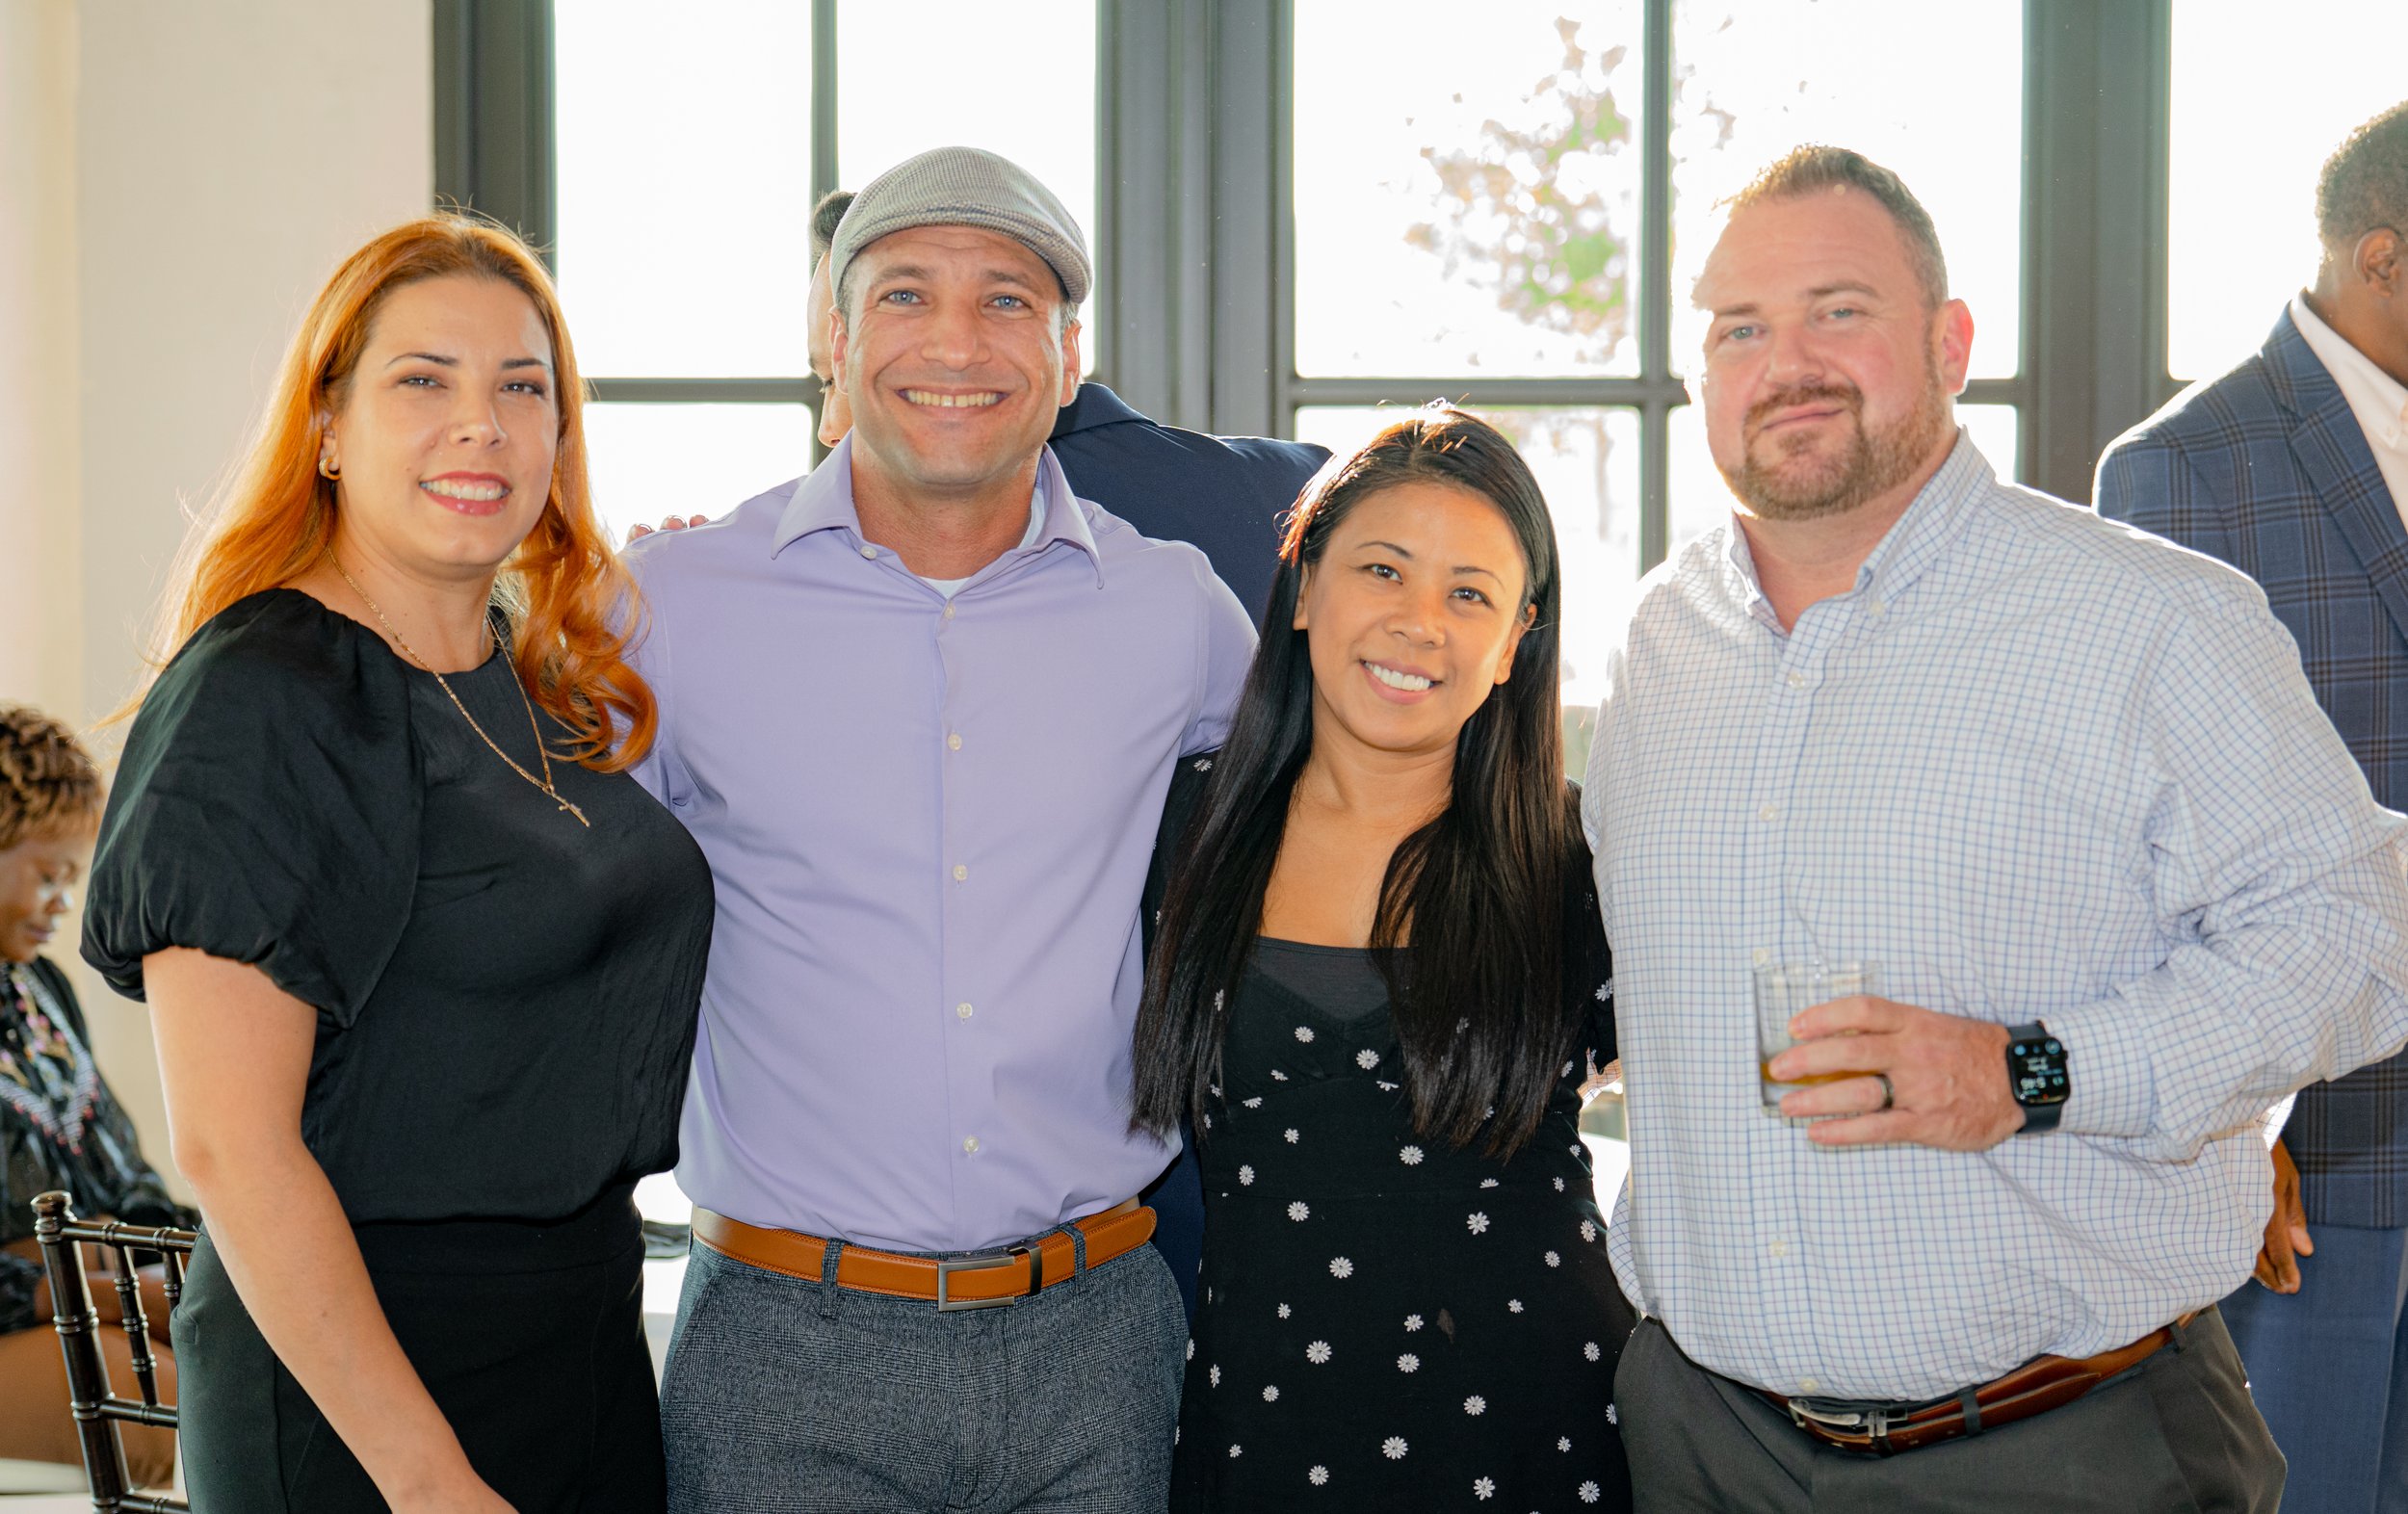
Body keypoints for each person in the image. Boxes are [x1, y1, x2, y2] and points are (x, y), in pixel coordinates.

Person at [1586, 144, 2408, 1511]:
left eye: (1838, 310)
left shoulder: (2152, 619)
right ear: (1697, 377)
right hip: (1703, 1448)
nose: (1787, 364)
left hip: (2069, 1454)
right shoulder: (1656, 642)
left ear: (1950, 343)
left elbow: (2360, 933)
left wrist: (2027, 1071)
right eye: (1739, 328)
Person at [628, 146, 1253, 1512]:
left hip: (1098, 1339)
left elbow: (1347, 800)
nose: (957, 343)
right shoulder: (671, 607)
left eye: (1008, 300)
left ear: (1069, 357)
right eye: (905, 294)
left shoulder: (1175, 611)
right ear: (832, 342)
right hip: (784, 1353)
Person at [80, 215, 714, 1513]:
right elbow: (231, 1147)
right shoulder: (264, 692)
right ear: (327, 425)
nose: (480, 425)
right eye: (424, 380)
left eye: (521, 389)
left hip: (579, 1347)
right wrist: (425, 1478)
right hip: (362, 1396)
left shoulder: (534, 678)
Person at [1133, 407, 1632, 1510]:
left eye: (1469, 594)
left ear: (1516, 641)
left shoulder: (1581, 858)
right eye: (1382, 571)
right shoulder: (1177, 836)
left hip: (1539, 1439)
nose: (1418, 623)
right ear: (1305, 586)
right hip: (1261, 1434)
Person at [2095, 99, 2408, 1514]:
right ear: (2382, 258)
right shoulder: (2185, 465)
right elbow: (2142, 838)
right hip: (2321, 1153)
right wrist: (2235, 1116)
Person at [0, 706, 190, 1487]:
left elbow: (124, 1179)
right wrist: (94, 1293)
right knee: (190, 1413)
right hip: (24, 1315)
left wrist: (192, 1258)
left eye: (72, 881)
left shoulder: (42, 992)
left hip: (85, 1294)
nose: (63, 903)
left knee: (254, 1363)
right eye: (49, 876)